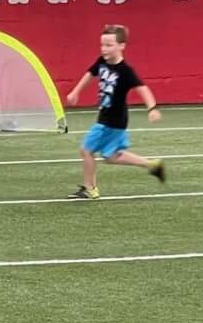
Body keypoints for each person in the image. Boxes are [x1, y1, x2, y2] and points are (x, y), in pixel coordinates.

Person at [64, 23, 166, 197]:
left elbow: (143, 88)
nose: (104, 49)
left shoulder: (126, 71)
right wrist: (76, 91)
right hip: (107, 117)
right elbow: (90, 73)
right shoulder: (102, 62)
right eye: (102, 45)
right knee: (111, 157)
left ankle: (90, 189)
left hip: (112, 121)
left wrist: (152, 108)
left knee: (86, 150)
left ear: (121, 46)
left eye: (109, 45)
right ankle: (152, 165)